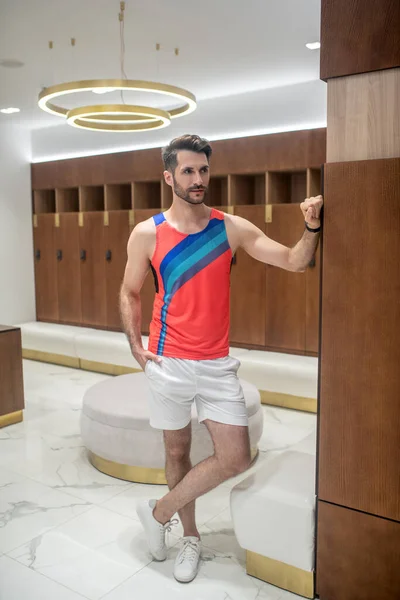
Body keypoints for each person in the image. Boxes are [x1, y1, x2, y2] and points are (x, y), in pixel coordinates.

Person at [119, 134, 323, 583]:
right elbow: (130, 291)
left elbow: (293, 261)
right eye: (188, 171)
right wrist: (136, 345)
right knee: (176, 450)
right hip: (168, 360)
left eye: (203, 170)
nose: (198, 179)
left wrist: (310, 228)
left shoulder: (230, 228)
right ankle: (188, 536)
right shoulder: (148, 233)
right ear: (169, 176)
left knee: (235, 456)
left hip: (215, 364)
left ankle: (157, 513)